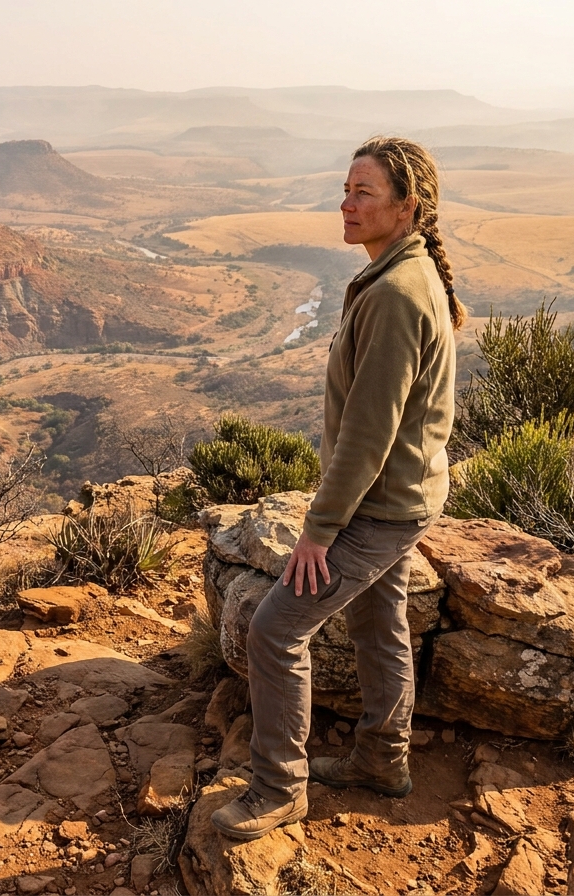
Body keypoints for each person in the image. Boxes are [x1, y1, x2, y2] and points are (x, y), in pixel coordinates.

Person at [211, 136, 465, 841]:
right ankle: (382, 763)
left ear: (407, 207)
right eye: (346, 189)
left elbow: (367, 434)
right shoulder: (399, 274)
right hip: (402, 495)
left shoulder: (396, 294)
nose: (347, 205)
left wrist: (319, 531)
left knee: (275, 630)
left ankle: (277, 788)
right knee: (377, 624)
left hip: (380, 506)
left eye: (364, 193)